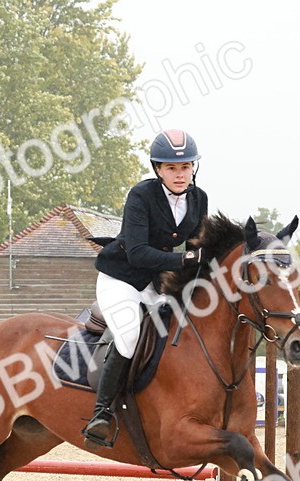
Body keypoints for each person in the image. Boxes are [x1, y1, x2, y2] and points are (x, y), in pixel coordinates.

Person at [82, 129, 209, 446]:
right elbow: (138, 253)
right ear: (158, 169)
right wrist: (183, 261)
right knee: (130, 336)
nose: (179, 174)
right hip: (122, 279)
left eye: (184, 167)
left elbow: (200, 247)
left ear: (193, 167)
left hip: (158, 284)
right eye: (171, 168)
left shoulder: (199, 198)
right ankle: (102, 414)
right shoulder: (141, 195)